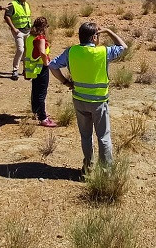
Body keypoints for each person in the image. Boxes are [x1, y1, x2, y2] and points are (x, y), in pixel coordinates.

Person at [49, 22, 127, 174]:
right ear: (93, 37)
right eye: (98, 35)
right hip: (98, 102)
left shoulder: (72, 51)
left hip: (79, 100)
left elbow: (53, 66)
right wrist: (109, 31)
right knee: (103, 136)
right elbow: (123, 46)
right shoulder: (103, 52)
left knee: (86, 135)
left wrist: (66, 82)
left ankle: (88, 167)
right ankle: (105, 171)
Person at [24, 17, 56, 127]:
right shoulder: (40, 38)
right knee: (41, 94)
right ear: (44, 27)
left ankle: (36, 111)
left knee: (35, 91)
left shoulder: (30, 37)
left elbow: (26, 53)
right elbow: (42, 52)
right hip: (41, 68)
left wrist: (24, 69)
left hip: (32, 69)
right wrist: (46, 63)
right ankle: (43, 118)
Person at [4, 0, 31, 80]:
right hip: (18, 31)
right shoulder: (12, 4)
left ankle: (25, 70)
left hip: (27, 31)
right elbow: (7, 16)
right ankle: (15, 70)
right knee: (20, 50)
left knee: (27, 51)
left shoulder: (26, 4)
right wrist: (13, 28)